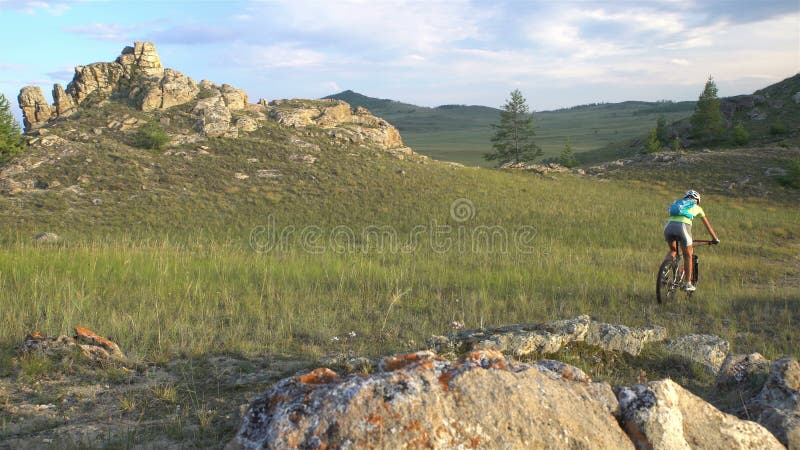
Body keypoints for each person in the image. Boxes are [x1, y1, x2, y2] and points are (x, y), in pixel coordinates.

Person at [663, 190, 719, 291]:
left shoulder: (676, 202)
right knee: (688, 255)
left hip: (668, 226)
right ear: (697, 200)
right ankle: (687, 283)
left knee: (673, 250)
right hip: (682, 228)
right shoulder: (697, 207)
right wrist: (715, 239)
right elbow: (708, 226)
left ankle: (663, 271)